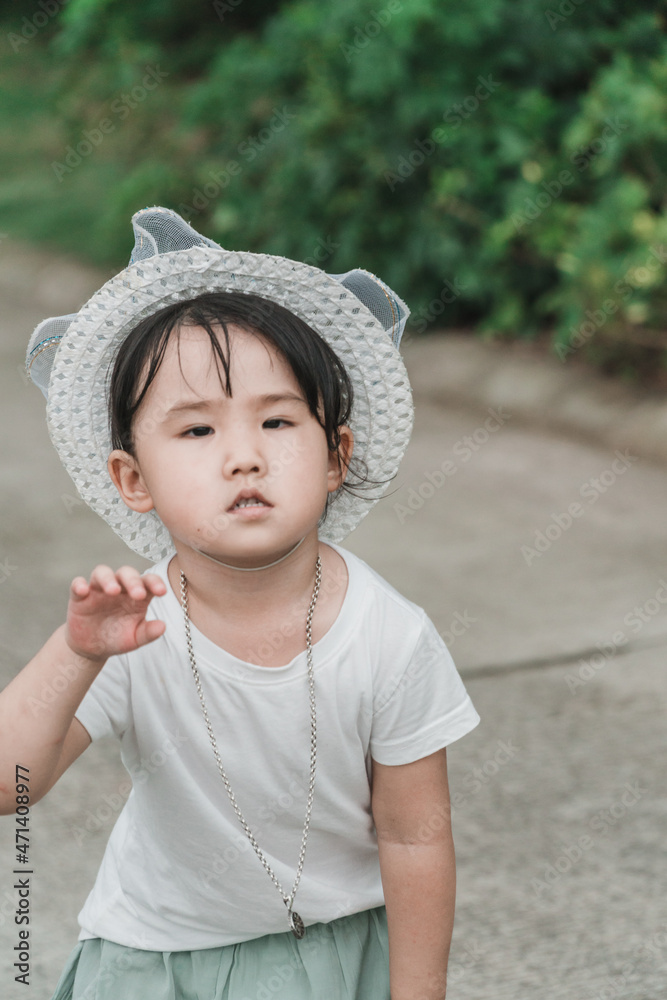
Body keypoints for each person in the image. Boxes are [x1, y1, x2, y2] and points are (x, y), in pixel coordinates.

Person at [1, 206, 480, 1000]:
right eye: (196, 432)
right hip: (155, 964)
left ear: (336, 455)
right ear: (133, 479)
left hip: (332, 963)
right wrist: (76, 653)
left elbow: (414, 837)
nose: (244, 456)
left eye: (277, 420)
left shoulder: (388, 637)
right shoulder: (134, 628)